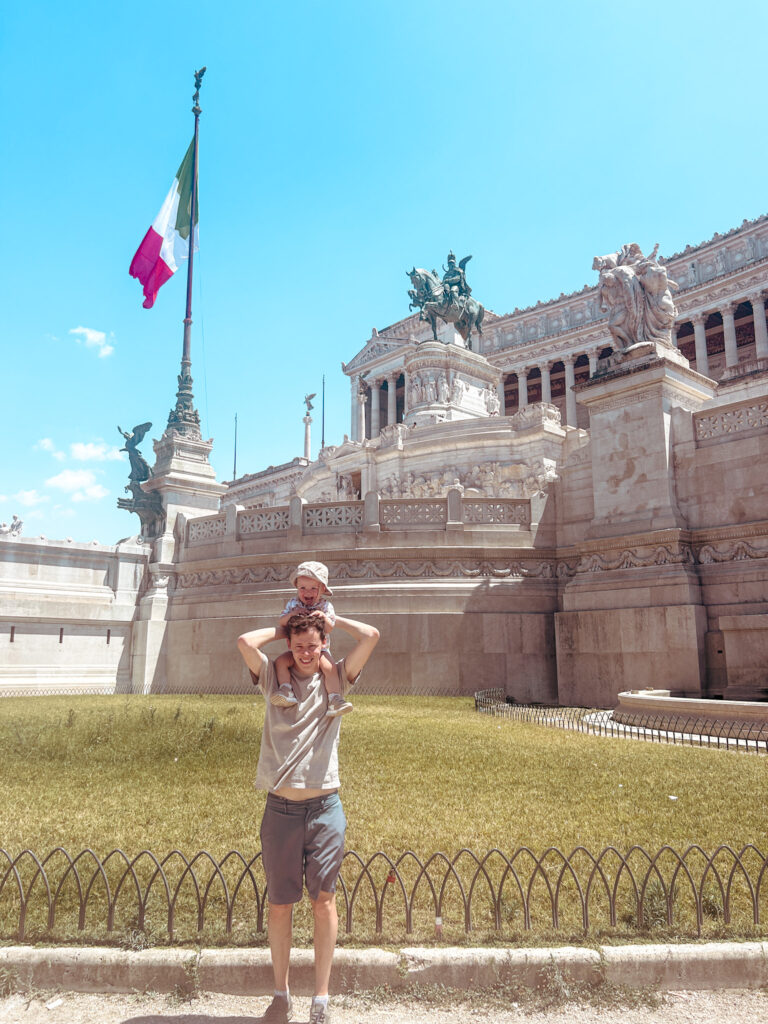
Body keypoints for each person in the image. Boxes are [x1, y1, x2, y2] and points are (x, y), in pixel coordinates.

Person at [237, 611, 380, 1024]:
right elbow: (246, 642)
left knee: (324, 902)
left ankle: (321, 997)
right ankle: (280, 995)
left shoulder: (336, 676)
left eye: (311, 646)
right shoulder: (271, 678)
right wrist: (285, 629)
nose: (303, 653)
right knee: (281, 905)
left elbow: (371, 635)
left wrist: (331, 622)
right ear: (288, 646)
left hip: (325, 808)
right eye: (297, 646)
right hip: (280, 809)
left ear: (323, 646)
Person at [273, 561, 353, 717]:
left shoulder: (325, 606)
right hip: (296, 649)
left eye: (313, 588)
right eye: (302, 588)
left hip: (319, 650)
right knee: (281, 662)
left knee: (329, 668)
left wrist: (323, 617)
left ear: (322, 589)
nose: (307, 592)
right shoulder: (293, 603)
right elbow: (281, 622)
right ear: (297, 587)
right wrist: (292, 614)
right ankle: (285, 689)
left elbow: (329, 628)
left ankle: (335, 699)